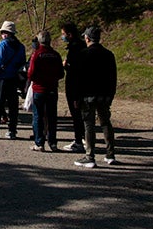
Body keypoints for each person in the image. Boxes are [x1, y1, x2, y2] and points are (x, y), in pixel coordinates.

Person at [72, 27, 118, 167]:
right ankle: (110, 154)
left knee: (89, 124)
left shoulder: (83, 54)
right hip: (104, 95)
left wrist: (76, 97)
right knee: (106, 123)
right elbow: (113, 77)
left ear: (87, 38)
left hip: (88, 95)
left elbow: (78, 78)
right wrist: (111, 94)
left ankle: (90, 156)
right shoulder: (108, 54)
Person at [0, 21, 26, 140]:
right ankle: (12, 130)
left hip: (3, 78)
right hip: (15, 78)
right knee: (13, 105)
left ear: (6, 33)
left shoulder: (3, 45)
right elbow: (22, 63)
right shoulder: (20, 46)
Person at [27, 30, 64, 152]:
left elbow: (31, 72)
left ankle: (39, 142)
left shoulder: (37, 54)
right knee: (52, 116)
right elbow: (61, 73)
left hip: (39, 89)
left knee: (38, 115)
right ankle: (52, 142)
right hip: (52, 89)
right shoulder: (56, 55)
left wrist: (36, 80)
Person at [60, 23, 86, 152]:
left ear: (70, 35)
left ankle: (78, 140)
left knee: (76, 114)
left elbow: (75, 69)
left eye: (63, 34)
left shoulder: (75, 49)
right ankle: (84, 137)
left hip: (74, 87)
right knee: (81, 114)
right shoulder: (82, 47)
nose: (62, 37)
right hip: (81, 85)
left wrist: (66, 65)